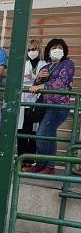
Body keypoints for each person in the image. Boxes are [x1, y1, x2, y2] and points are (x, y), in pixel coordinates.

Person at [25, 38, 75, 175]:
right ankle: (47, 166)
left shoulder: (68, 64)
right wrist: (39, 78)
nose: (57, 50)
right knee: (49, 136)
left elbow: (61, 82)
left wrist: (41, 85)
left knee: (41, 135)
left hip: (58, 106)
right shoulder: (46, 67)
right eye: (54, 48)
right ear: (48, 51)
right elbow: (35, 84)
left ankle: (44, 164)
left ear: (64, 50)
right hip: (44, 106)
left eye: (60, 47)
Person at [17, 39, 47, 159]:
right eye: (29, 50)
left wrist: (32, 77)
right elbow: (19, 79)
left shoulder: (44, 64)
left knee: (34, 131)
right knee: (22, 130)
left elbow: (44, 79)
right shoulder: (24, 63)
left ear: (39, 50)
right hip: (24, 100)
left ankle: (31, 159)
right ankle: (21, 158)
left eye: (34, 49)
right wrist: (34, 77)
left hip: (36, 99)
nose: (31, 52)